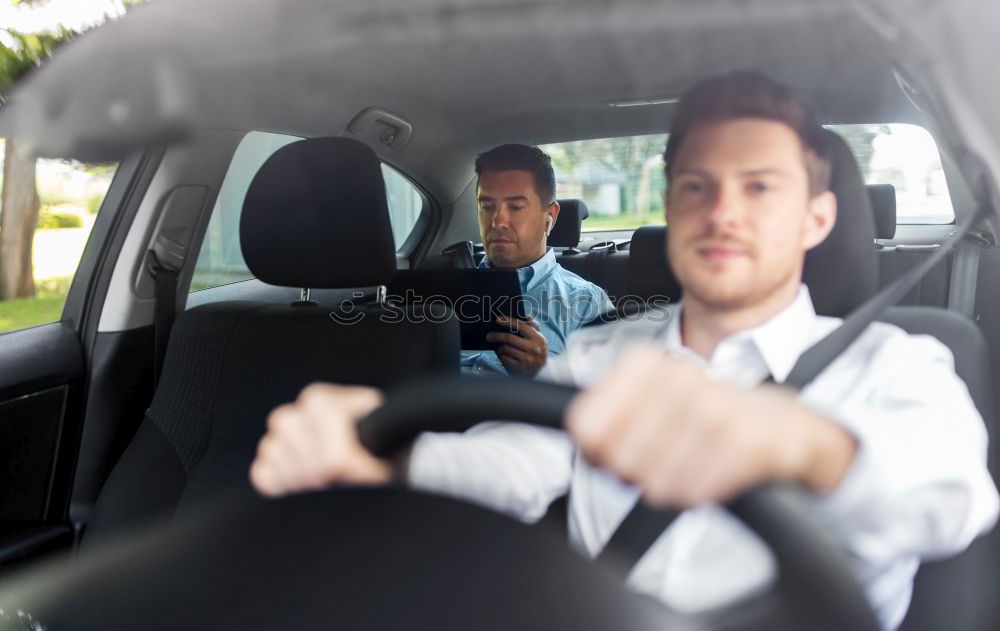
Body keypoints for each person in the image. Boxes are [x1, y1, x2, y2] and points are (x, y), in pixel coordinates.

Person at [249, 71, 998, 629]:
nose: (724, 212)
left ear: (817, 217)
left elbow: (951, 500)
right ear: (670, 208)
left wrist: (801, 444)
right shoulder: (603, 356)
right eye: (697, 187)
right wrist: (388, 454)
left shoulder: (900, 362)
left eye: (761, 187)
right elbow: (509, 463)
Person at [462, 144, 612, 377]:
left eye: (515, 207)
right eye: (487, 206)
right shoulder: (442, 292)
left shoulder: (585, 302)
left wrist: (544, 373)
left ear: (549, 217)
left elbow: (612, 400)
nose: (497, 222)